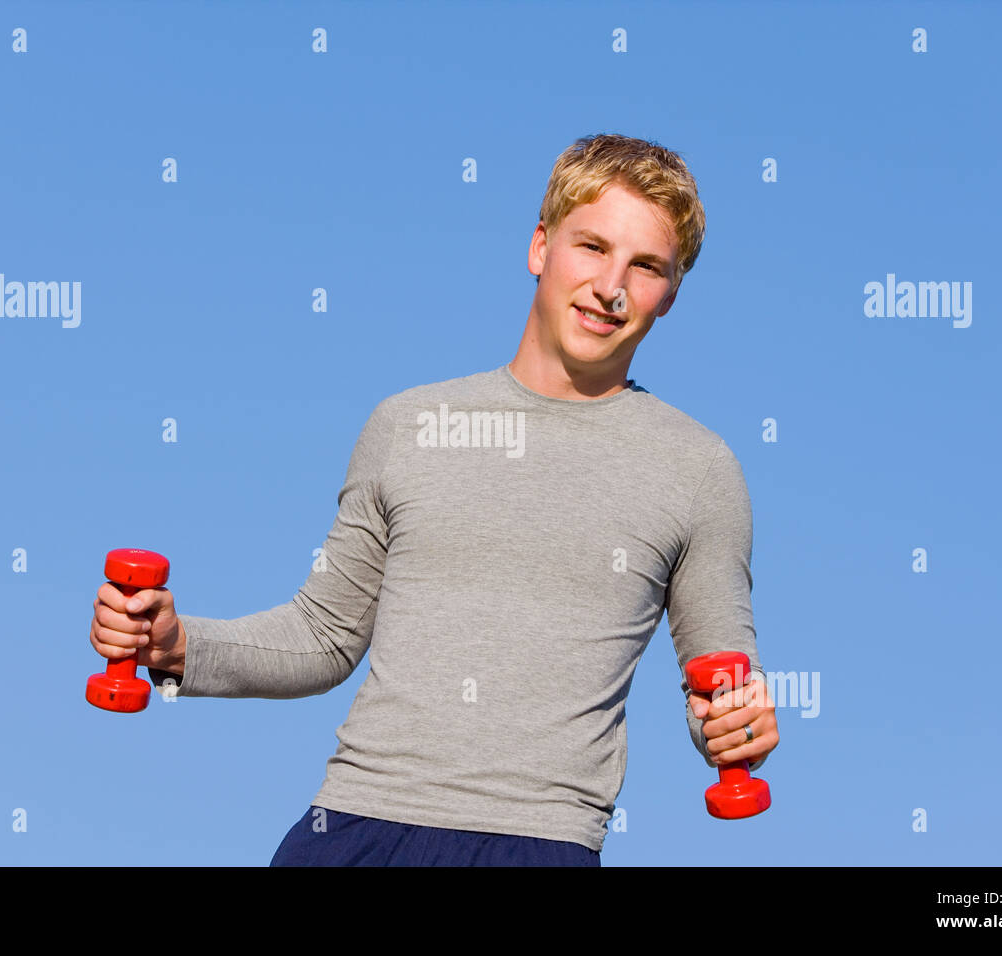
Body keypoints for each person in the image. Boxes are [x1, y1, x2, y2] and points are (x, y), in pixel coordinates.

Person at [88, 133, 779, 866]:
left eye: (644, 266)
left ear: (670, 293)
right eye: (591, 247)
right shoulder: (409, 425)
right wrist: (174, 647)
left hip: (540, 844)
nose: (611, 285)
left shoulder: (698, 469)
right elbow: (324, 637)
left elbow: (726, 677)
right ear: (540, 247)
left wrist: (739, 726)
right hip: (352, 828)